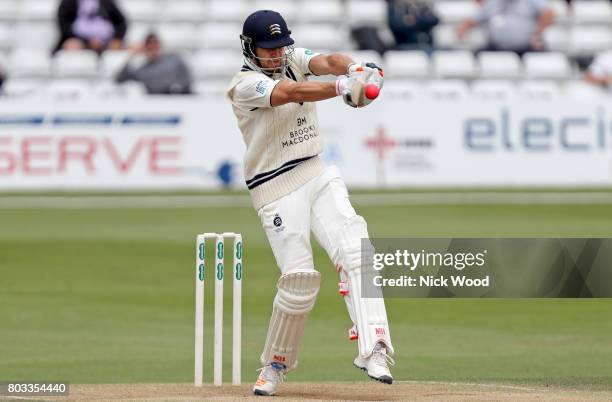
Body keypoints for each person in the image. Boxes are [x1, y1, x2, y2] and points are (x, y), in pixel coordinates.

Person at [226, 10, 394, 397]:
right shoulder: (244, 85)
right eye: (268, 50)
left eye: (280, 46)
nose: (277, 55)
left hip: (315, 169)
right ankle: (275, 365)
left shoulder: (292, 57)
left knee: (357, 249)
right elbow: (293, 93)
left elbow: (329, 60)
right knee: (299, 281)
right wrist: (343, 87)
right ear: (250, 49)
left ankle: (376, 347)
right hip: (274, 187)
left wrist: (357, 69)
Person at [456, 0, 554, 56]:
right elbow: (475, 19)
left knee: (543, 60)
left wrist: (537, 34)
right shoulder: (493, 3)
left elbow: (548, 13)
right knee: (474, 56)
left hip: (525, 47)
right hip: (496, 47)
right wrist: (463, 29)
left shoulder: (531, 1)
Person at [115, 33, 193, 95]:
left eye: (155, 46)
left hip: (179, 101)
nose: (153, 50)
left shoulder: (174, 60)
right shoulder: (142, 71)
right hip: (156, 106)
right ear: (145, 49)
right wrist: (132, 56)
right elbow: (119, 79)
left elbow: (187, 79)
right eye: (150, 47)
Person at [54, 0, 127, 53]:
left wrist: (117, 39)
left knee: (127, 49)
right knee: (72, 46)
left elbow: (121, 23)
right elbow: (65, 27)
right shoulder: (68, 3)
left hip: (106, 43)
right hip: (80, 41)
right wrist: (87, 41)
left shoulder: (107, 2)